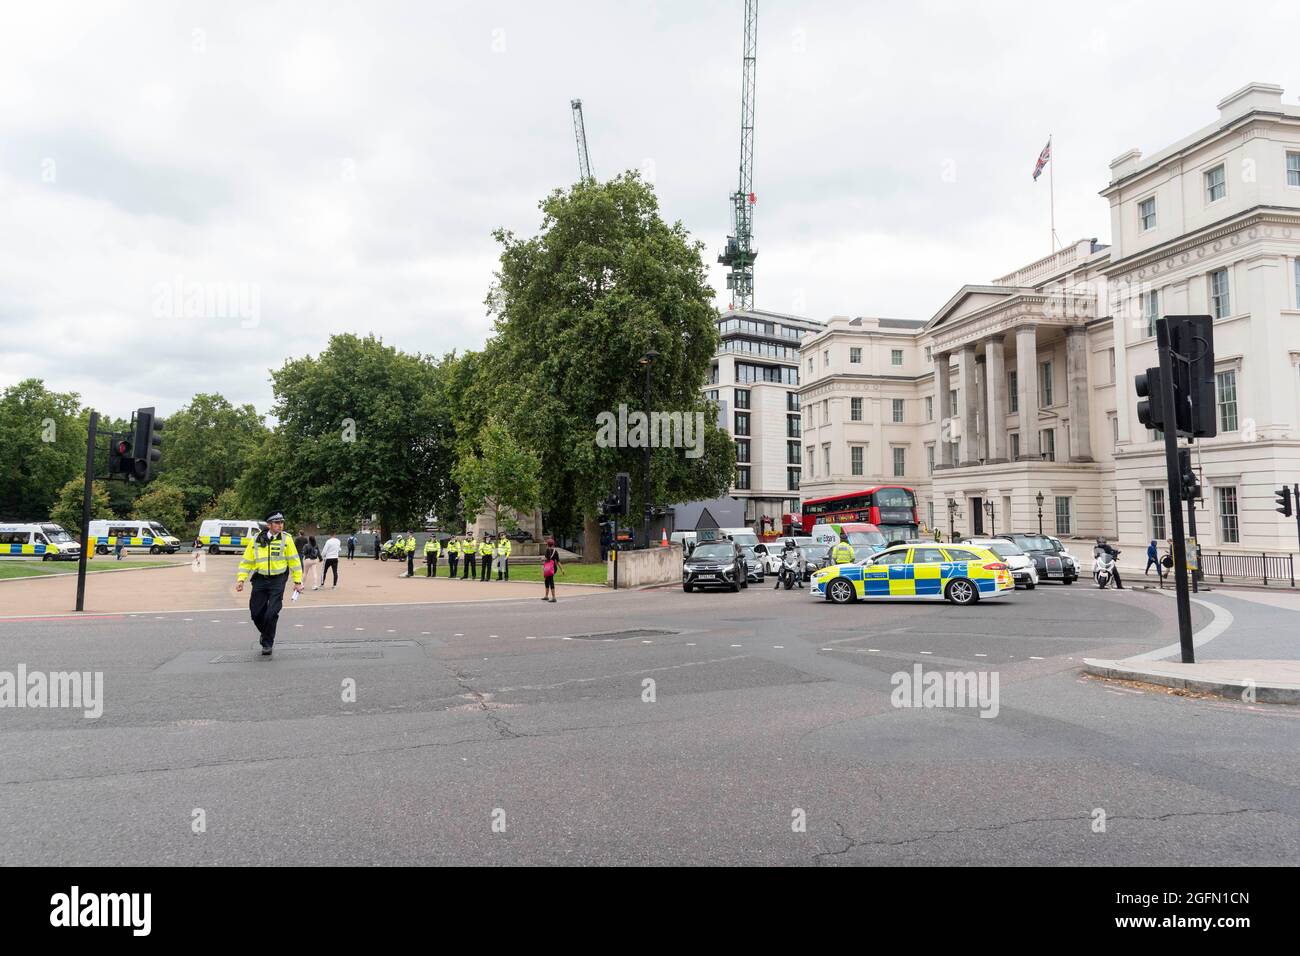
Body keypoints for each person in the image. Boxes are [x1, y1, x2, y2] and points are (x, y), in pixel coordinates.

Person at [235, 512, 303, 656]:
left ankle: (267, 643)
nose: (280, 525)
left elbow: (294, 561)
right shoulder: (256, 539)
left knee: (271, 613)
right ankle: (265, 633)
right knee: (256, 613)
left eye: (281, 522)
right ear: (269, 525)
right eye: (277, 523)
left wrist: (298, 581)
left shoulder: (287, 539)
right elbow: (247, 561)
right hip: (260, 579)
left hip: (278, 580)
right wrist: (241, 579)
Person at [542, 537, 561, 603]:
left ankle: (553, 597)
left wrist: (542, 563)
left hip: (548, 568)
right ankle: (547, 596)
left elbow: (546, 560)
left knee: (548, 581)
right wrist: (562, 569)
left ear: (547, 544)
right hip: (553, 568)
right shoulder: (555, 551)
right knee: (549, 580)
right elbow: (558, 562)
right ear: (553, 544)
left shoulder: (547, 550)